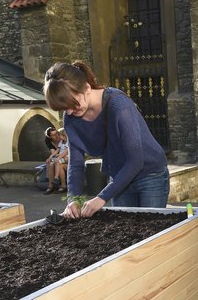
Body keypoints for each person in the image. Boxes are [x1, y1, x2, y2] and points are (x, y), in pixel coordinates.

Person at [43, 60, 170, 219]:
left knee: (151, 232)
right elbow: (76, 163)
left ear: (87, 88)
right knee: (124, 233)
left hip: (151, 175)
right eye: (64, 108)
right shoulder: (70, 118)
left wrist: (102, 197)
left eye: (73, 104)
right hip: (119, 177)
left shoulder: (118, 104)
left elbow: (136, 160)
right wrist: (73, 199)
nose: (69, 112)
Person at [43, 126, 67, 194]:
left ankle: (58, 182)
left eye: (57, 133)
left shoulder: (66, 141)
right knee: (50, 163)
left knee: (55, 162)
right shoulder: (50, 142)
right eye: (54, 135)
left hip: (64, 158)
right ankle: (51, 186)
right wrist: (51, 157)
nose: (57, 136)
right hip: (60, 158)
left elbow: (66, 152)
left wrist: (57, 156)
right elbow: (55, 152)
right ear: (50, 137)